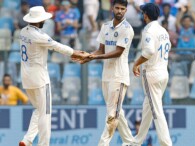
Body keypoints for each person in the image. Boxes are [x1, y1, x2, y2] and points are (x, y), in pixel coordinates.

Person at [18, 6, 88, 146]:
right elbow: (57, 46)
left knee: (38, 110)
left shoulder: (23, 31)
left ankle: (27, 140)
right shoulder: (38, 35)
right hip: (40, 78)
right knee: (46, 114)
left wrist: (74, 52)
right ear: (40, 20)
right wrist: (76, 53)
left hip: (26, 77)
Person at [78, 0, 135, 145]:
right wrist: (89, 56)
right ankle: (131, 142)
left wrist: (95, 57)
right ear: (112, 8)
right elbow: (101, 50)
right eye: (117, 8)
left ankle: (102, 143)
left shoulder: (127, 29)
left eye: (123, 8)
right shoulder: (105, 26)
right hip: (106, 76)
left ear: (126, 10)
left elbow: (118, 52)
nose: (120, 11)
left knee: (111, 115)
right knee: (117, 112)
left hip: (119, 76)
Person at [132, 3, 172, 146]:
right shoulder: (163, 30)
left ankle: (166, 143)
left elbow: (148, 51)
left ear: (146, 15)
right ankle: (137, 141)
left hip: (152, 74)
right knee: (148, 107)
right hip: (163, 72)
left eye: (143, 13)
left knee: (156, 110)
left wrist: (136, 63)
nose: (142, 15)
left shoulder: (148, 30)